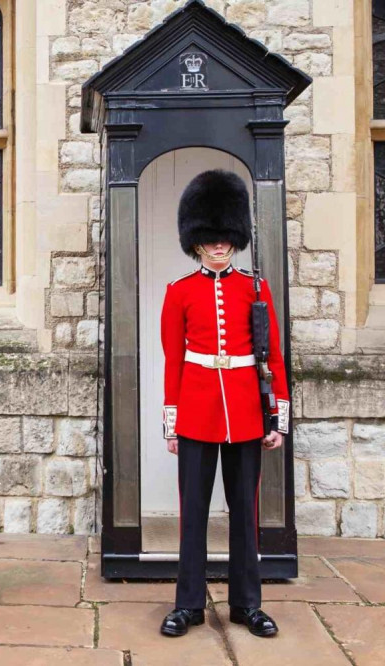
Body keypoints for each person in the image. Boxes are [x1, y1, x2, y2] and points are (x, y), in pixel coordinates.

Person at [158, 169, 290, 639]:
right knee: (192, 513)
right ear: (196, 242)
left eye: (225, 238)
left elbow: (272, 355)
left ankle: (246, 605)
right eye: (210, 239)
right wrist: (171, 423)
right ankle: (188, 606)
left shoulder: (255, 288)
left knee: (245, 513)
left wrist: (279, 417)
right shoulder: (179, 292)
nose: (219, 246)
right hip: (196, 410)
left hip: (247, 413)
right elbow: (173, 360)